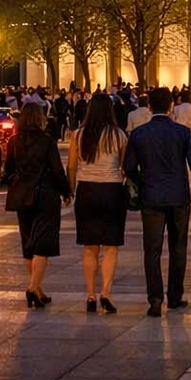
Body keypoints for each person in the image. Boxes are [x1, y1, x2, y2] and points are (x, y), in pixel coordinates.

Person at [124, 86, 191, 316]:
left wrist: (141, 183)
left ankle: (154, 299)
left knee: (152, 251)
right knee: (178, 247)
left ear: (149, 107)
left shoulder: (139, 134)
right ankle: (175, 295)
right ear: (171, 106)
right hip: (178, 196)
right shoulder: (182, 133)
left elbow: (129, 167)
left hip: (151, 197)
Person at [4, 102, 72, 308]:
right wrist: (66, 191)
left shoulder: (13, 142)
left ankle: (38, 290)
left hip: (22, 195)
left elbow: (8, 170)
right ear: (40, 118)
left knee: (28, 243)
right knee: (43, 243)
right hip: (45, 194)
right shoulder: (46, 141)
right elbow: (57, 169)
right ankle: (32, 288)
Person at [66, 91, 127, 314]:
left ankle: (90, 294)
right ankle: (106, 293)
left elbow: (72, 166)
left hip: (87, 189)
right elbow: (124, 166)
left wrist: (70, 190)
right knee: (111, 245)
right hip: (112, 189)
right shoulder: (118, 135)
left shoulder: (78, 135)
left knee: (90, 246)